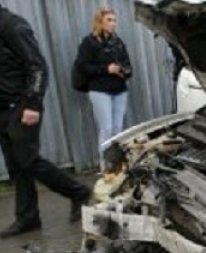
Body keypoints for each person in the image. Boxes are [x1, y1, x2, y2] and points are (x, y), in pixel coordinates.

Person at [0, 3, 90, 238]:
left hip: (21, 105)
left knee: (28, 160)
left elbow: (37, 65)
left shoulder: (11, 24)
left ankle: (78, 192)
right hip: (2, 109)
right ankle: (28, 217)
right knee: (16, 167)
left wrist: (33, 103)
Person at [75, 7, 132, 161]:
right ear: (99, 22)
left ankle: (117, 164)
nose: (113, 23)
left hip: (120, 90)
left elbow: (128, 64)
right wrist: (106, 69)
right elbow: (82, 66)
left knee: (118, 129)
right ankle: (105, 166)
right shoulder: (89, 42)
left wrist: (124, 71)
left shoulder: (118, 42)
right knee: (106, 129)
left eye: (114, 20)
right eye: (109, 20)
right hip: (100, 90)